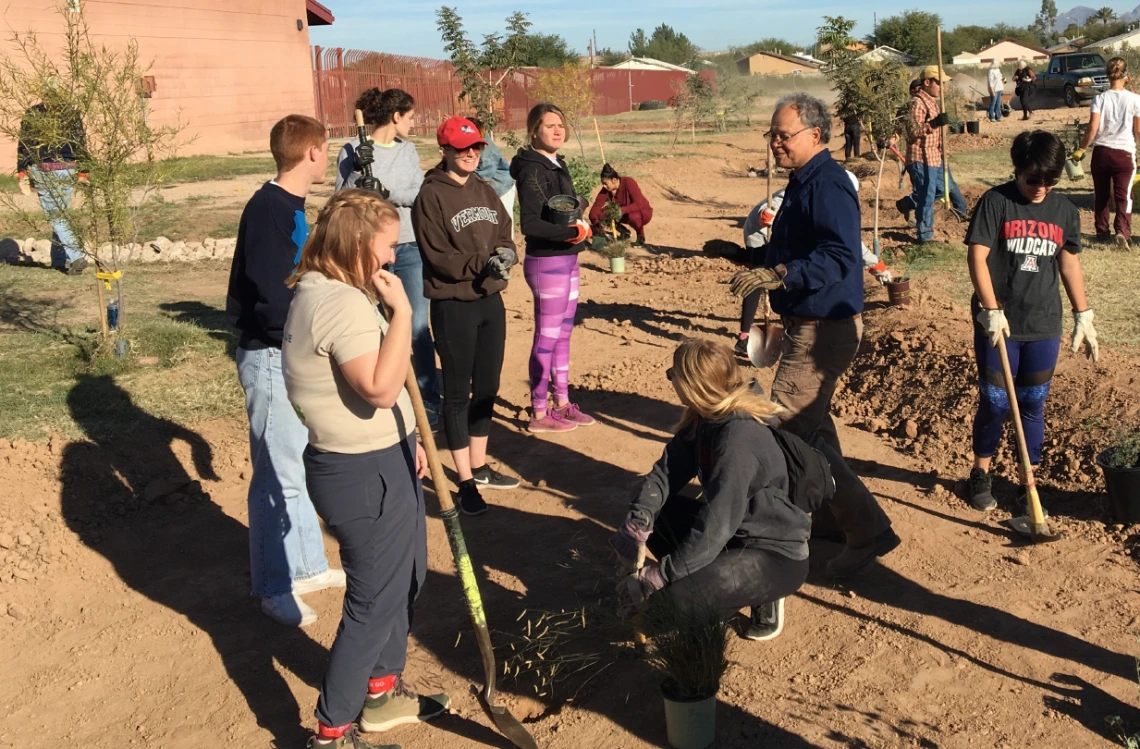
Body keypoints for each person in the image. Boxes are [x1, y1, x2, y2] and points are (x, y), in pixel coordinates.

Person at [282, 189, 450, 749]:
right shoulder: (339, 303)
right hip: (361, 472)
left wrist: (408, 436)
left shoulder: (340, 291)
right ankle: (331, 732)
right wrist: (403, 311)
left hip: (384, 455)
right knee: (374, 602)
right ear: (356, 244)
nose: (392, 255)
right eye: (386, 245)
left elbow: (385, 383)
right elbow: (379, 386)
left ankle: (380, 695)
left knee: (407, 579)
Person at [729, 93, 900, 578]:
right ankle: (829, 519)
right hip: (810, 326)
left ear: (815, 135)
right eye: (773, 135)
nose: (775, 144)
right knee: (816, 432)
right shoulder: (803, 182)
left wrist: (781, 273)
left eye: (784, 135)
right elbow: (797, 249)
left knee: (785, 429)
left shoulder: (826, 185)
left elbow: (839, 256)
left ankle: (869, 530)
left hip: (823, 331)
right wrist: (759, 266)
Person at [610, 338, 812, 641]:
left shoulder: (738, 441)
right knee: (658, 513)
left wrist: (658, 576)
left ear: (694, 385)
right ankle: (712, 587)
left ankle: (761, 593)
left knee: (671, 605)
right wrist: (637, 523)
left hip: (774, 554)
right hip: (734, 535)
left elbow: (714, 529)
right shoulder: (705, 418)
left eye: (673, 375)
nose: (671, 380)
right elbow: (666, 472)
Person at [225, 114, 343, 627]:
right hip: (271, 356)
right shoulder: (269, 211)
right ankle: (273, 584)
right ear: (313, 152)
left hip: (289, 353)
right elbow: (274, 298)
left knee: (295, 464)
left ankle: (306, 566)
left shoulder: (289, 207)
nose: (330, 155)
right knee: (276, 474)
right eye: (327, 147)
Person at [965, 131, 1099, 512]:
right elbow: (977, 256)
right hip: (1000, 322)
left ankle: (1029, 482)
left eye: (1049, 180)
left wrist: (1082, 312)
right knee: (994, 403)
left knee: (1032, 404)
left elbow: (1069, 262)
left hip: (1043, 323)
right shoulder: (996, 202)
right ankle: (981, 473)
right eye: (1032, 179)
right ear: (1017, 170)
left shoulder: (1064, 211)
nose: (1041, 187)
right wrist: (990, 308)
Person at [412, 117, 520, 516]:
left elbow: (505, 233)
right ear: (444, 151)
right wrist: (484, 263)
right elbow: (438, 257)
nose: (471, 154)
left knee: (488, 386)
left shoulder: (484, 189)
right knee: (457, 392)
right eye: (462, 149)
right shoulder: (432, 196)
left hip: (490, 299)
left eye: (475, 148)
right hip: (453, 303)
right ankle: (465, 481)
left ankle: (480, 464)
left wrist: (507, 253)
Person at [335, 88, 442, 425]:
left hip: (406, 246)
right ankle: (382, 395)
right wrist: (356, 172)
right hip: (365, 249)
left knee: (415, 324)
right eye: (410, 117)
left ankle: (428, 399)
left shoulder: (406, 150)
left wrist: (384, 191)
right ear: (396, 116)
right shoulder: (352, 149)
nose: (414, 123)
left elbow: (416, 192)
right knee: (371, 324)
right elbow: (341, 198)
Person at [735, 171, 892, 358]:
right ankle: (744, 337)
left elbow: (847, 242)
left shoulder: (833, 203)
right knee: (758, 278)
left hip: (788, 240)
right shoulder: (810, 190)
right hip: (761, 232)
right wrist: (767, 214)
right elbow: (779, 203)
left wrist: (874, 265)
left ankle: (792, 324)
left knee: (790, 276)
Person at [509, 102, 596, 433]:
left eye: (561, 124)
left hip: (566, 258)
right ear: (534, 131)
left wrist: (578, 216)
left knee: (563, 335)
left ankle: (562, 403)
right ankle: (539, 411)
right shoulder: (533, 169)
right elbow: (531, 224)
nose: (557, 130)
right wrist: (571, 231)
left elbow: (562, 209)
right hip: (547, 262)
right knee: (547, 337)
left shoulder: (555, 164)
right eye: (549, 126)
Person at [1071, 56, 1140, 250]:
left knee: (1101, 195)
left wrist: (1081, 149)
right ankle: (1122, 231)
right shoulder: (1135, 99)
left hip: (1101, 153)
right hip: (1124, 154)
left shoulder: (1099, 99)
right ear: (1126, 76)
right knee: (1124, 196)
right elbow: (1139, 131)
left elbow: (1092, 128)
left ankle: (1101, 232)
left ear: (1107, 76)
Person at [16, 96, 88, 274]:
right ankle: (58, 260)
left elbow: (24, 143)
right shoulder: (70, 113)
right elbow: (80, 141)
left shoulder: (34, 113)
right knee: (60, 215)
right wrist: (84, 169)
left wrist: (22, 169)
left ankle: (76, 256)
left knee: (57, 217)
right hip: (67, 169)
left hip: (45, 170)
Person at [906, 65, 968, 243]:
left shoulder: (933, 102)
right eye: (939, 83)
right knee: (926, 196)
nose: (942, 87)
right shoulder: (918, 102)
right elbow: (912, 131)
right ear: (927, 82)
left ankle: (909, 203)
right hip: (921, 157)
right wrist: (933, 124)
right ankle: (925, 236)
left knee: (942, 190)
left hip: (935, 156)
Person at [468, 117, 517, 228]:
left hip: (501, 187)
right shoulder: (473, 141)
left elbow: (484, 176)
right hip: (489, 188)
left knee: (504, 224)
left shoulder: (485, 149)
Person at [587, 163, 653, 246]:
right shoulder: (606, 190)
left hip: (642, 212)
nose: (603, 186)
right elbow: (595, 209)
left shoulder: (629, 182)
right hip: (623, 213)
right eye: (602, 184)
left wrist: (621, 210)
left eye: (605, 183)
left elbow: (639, 204)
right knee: (604, 213)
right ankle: (624, 232)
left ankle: (640, 236)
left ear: (614, 180)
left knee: (633, 216)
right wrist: (599, 229)